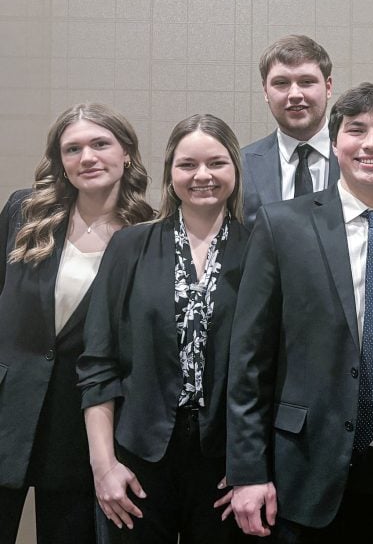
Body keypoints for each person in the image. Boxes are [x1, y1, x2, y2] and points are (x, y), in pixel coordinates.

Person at [227, 83, 373, 542]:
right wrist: (247, 471)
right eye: (356, 130)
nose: (370, 144)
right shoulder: (282, 225)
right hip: (303, 466)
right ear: (335, 141)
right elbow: (248, 359)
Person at [78, 114, 250, 542]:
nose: (202, 176)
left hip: (228, 464)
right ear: (170, 172)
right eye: (187, 164)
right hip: (139, 457)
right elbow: (98, 363)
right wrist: (104, 467)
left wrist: (256, 467)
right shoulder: (130, 245)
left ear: (235, 170)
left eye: (216, 163)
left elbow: (276, 368)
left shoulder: (262, 248)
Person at [0, 103, 153, 543]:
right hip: (8, 408)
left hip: (81, 423)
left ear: (126, 153)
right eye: (73, 149)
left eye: (100, 144)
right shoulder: (24, 213)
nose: (87, 157)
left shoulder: (147, 232)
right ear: (60, 162)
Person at [242, 34, 373, 228]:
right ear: (265, 91)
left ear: (328, 87)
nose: (295, 94)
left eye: (306, 82)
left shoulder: (368, 159)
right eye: (281, 83)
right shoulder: (243, 164)